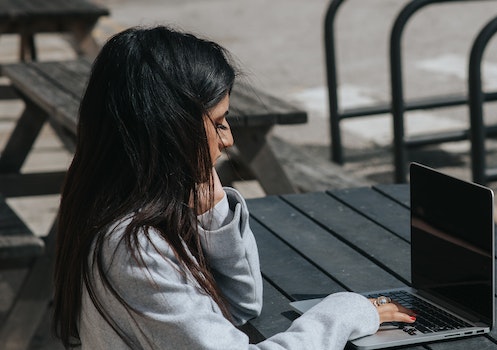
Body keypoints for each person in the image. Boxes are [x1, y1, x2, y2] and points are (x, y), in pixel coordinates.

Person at [51, 26, 415, 349]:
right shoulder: (135, 249)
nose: (228, 139)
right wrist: (347, 310)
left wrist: (212, 213)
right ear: (172, 128)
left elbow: (239, 305)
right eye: (219, 122)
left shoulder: (111, 208)